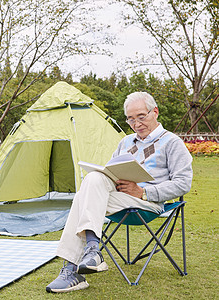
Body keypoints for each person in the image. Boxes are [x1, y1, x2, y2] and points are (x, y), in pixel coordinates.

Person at [46, 91, 193, 293]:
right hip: (118, 199)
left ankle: (73, 268)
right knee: (94, 179)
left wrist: (142, 192)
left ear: (155, 112)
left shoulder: (172, 143)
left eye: (141, 116)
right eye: (131, 119)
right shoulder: (125, 142)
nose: (136, 123)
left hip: (147, 203)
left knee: (82, 197)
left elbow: (183, 184)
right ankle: (91, 252)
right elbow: (110, 173)